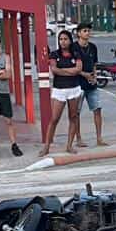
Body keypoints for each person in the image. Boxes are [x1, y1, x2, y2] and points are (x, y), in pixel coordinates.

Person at [39, 29, 83, 157]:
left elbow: (79, 69)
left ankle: (69, 146)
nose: (63, 42)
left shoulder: (76, 54)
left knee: (73, 117)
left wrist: (64, 70)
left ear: (70, 40)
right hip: (59, 90)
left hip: (74, 89)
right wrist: (71, 70)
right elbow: (54, 70)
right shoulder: (54, 54)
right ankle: (46, 146)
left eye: (65, 39)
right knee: (54, 119)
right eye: (60, 39)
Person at [74, 23, 108, 148]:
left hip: (92, 84)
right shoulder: (74, 47)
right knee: (76, 112)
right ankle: (78, 138)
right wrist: (84, 74)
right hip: (78, 84)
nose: (87, 33)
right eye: (84, 31)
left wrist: (94, 76)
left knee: (97, 109)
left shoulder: (93, 47)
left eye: (88, 31)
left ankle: (99, 138)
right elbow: (72, 66)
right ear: (79, 33)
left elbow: (94, 64)